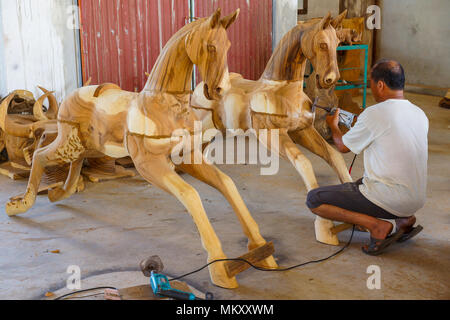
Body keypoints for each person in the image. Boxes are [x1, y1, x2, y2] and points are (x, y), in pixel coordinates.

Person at [306, 59, 428, 255]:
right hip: (415, 198)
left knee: (314, 199)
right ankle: (405, 220)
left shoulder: (375, 113)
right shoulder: (419, 113)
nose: (371, 86)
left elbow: (343, 146)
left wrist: (333, 125)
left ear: (380, 84)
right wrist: (361, 125)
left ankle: (376, 226)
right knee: (364, 181)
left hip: (390, 198)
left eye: (371, 82)